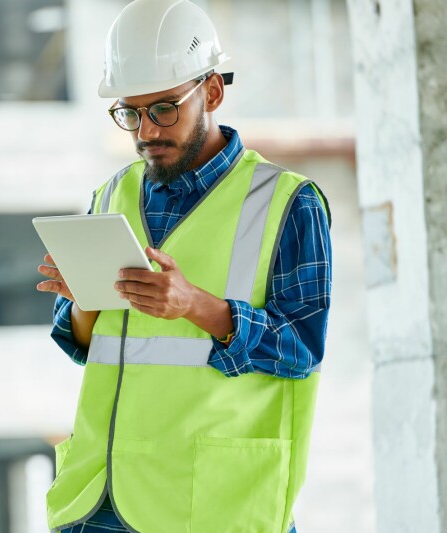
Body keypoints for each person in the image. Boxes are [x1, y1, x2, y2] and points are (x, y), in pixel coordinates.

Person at [36, 1, 332, 531]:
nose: (147, 130)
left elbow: (302, 350)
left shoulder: (288, 202)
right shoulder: (110, 195)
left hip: (211, 501)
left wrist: (197, 307)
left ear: (212, 92)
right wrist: (82, 299)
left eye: (165, 108)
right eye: (131, 112)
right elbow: (87, 346)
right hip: (96, 498)